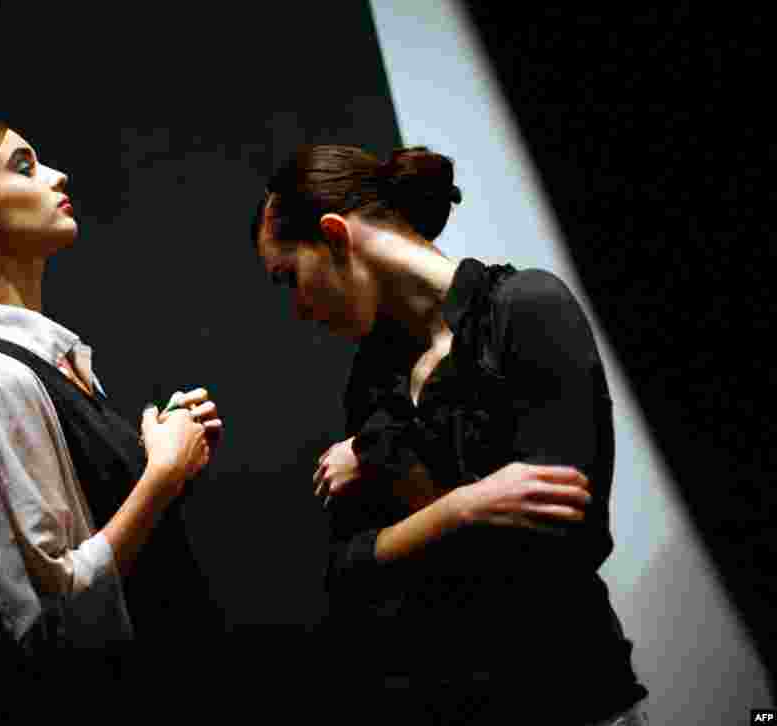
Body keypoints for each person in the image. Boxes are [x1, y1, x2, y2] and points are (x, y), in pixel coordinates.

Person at [252, 145, 648, 724]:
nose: (299, 310)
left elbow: (561, 547)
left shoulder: (526, 308)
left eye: (289, 278)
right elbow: (347, 573)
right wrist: (467, 506)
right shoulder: (372, 376)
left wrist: (393, 477)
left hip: (572, 698)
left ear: (335, 235)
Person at [0, 120, 224, 699]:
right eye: (24, 166)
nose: (57, 175)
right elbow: (48, 621)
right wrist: (161, 476)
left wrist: (161, 457)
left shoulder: (52, 360)